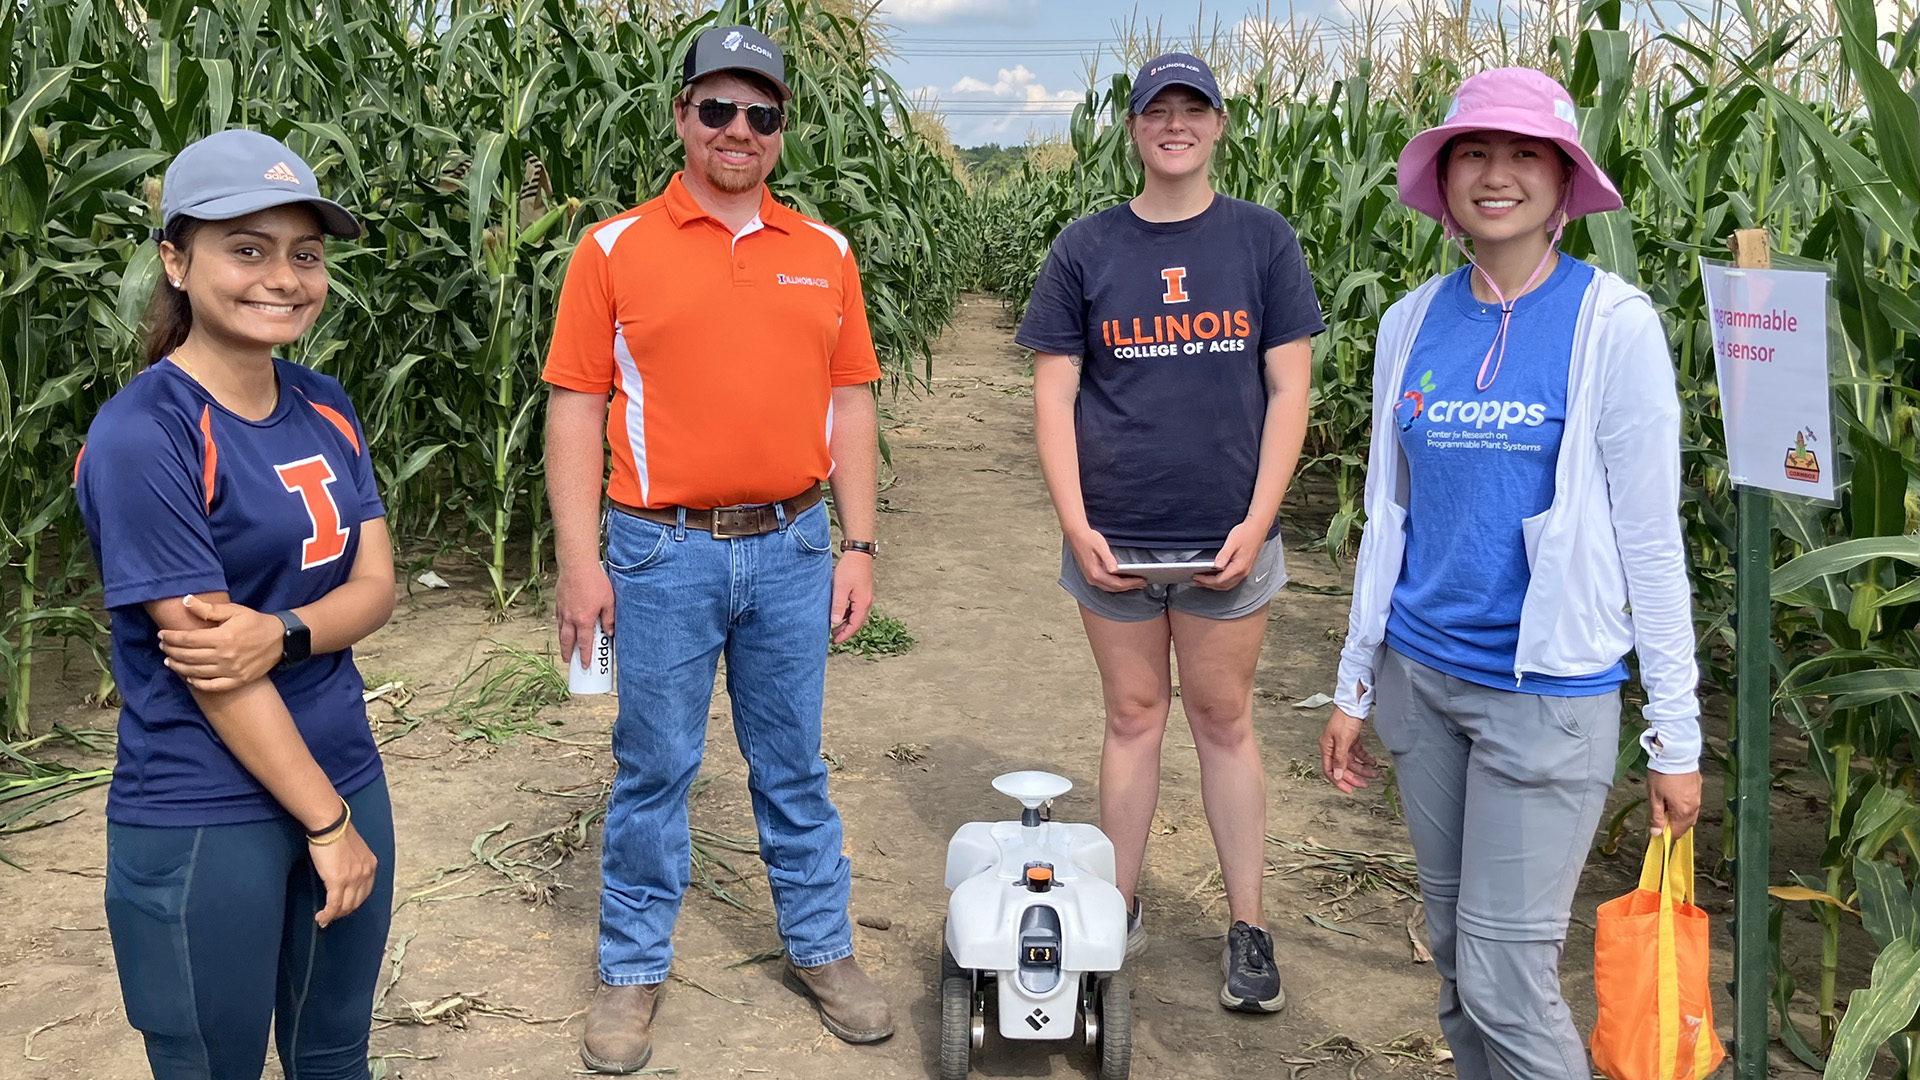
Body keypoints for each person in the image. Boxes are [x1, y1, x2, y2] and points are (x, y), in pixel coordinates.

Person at [1318, 68, 1704, 1080]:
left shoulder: (1608, 325)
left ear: (1564, 179)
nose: (1496, 176)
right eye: (1473, 155)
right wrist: (1358, 682)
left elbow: (1650, 540)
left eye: (1523, 155)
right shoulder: (1410, 323)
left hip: (1547, 702)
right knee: (1454, 964)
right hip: (1423, 684)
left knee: (1504, 976)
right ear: (1442, 179)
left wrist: (1677, 735)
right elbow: (1385, 516)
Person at [541, 24, 890, 1074]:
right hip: (659, 551)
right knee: (655, 766)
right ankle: (633, 969)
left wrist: (860, 543)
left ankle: (823, 949)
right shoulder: (611, 249)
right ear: (683, 116)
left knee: (793, 766)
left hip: (793, 543)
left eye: (762, 114)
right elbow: (574, 407)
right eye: (718, 110)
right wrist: (576, 558)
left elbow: (853, 403)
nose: (739, 131)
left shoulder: (824, 253)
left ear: (782, 129)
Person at [74, 130, 395, 1080]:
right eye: (245, 249)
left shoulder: (326, 402)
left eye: (304, 254)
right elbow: (213, 667)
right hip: (206, 803)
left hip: (343, 761)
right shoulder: (146, 434)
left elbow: (375, 587)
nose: (282, 278)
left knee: (335, 1052)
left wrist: (287, 632)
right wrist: (327, 826)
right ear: (176, 260)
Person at [1018, 53, 1324, 1013]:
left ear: (1221, 124)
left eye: (1194, 109)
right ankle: (1117, 907)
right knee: (1132, 719)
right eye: (1160, 110)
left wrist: (1259, 520)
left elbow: (1290, 388)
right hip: (1114, 540)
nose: (1176, 124)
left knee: (1224, 723)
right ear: (1134, 127)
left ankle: (1248, 924)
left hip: (1226, 539)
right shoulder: (1086, 248)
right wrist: (1077, 525)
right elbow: (1056, 397)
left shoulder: (1262, 242)